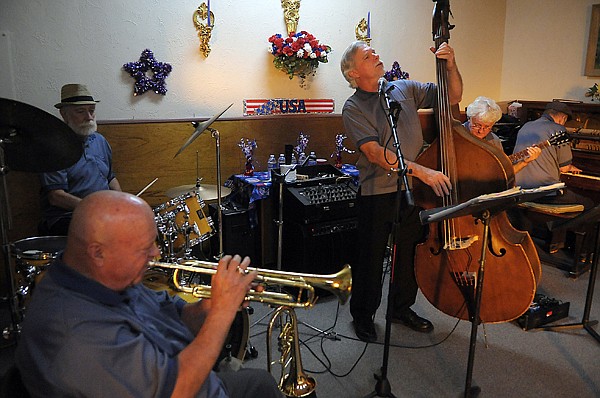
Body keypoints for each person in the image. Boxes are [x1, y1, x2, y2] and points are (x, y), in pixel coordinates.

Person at [15, 190, 282, 398]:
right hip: (180, 386)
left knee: (261, 384)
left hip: (186, 376)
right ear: (98, 253)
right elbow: (177, 391)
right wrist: (223, 313)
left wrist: (210, 306)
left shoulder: (106, 279)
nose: (155, 254)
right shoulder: (76, 335)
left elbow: (175, 318)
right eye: (145, 249)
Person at [340, 40, 460, 342]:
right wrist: (423, 171)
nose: (377, 55)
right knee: (370, 257)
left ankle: (400, 308)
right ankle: (363, 315)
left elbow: (453, 96)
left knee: (409, 253)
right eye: (368, 56)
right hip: (376, 193)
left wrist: (451, 64)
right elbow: (375, 153)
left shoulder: (403, 89)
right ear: (354, 73)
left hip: (411, 191)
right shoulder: (353, 107)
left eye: (375, 52)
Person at [39, 83, 121, 236]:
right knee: (103, 232)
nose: (89, 117)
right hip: (68, 217)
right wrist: (93, 208)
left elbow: (110, 178)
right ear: (64, 114)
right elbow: (56, 197)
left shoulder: (100, 141)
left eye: (91, 110)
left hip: (102, 214)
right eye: (81, 111)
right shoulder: (54, 147)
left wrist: (122, 203)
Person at [464, 96, 542, 174]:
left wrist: (524, 162)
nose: (481, 131)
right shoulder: (456, 135)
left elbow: (501, 174)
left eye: (487, 127)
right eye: (477, 125)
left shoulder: (494, 141)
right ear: (469, 118)